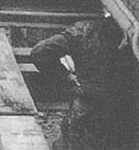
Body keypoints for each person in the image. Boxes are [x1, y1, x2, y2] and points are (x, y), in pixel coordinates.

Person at [30, 16, 138, 149]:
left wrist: (66, 76)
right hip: (124, 116)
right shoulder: (133, 42)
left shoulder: (84, 30)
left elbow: (40, 52)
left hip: (86, 109)